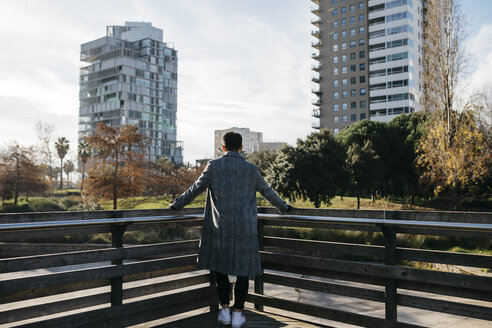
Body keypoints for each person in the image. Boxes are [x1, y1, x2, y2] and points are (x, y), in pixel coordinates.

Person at [169, 132, 292, 328]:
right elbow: (268, 192)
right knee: (243, 272)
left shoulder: (214, 166)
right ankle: (238, 314)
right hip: (245, 229)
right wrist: (284, 207)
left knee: (220, 269)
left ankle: (224, 311)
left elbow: (195, 189)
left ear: (223, 147)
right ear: (241, 147)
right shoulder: (251, 169)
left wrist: (176, 205)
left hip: (220, 228)